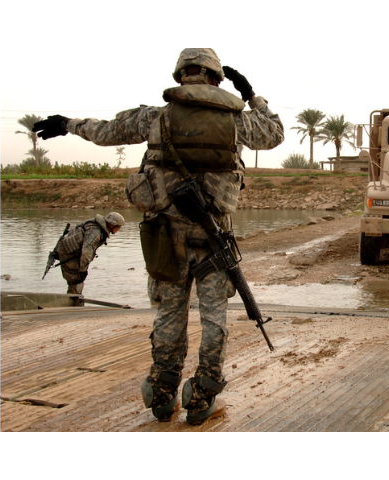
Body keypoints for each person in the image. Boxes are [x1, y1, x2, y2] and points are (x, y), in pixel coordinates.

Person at [33, 48, 284, 424]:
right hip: (214, 239)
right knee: (215, 317)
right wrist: (251, 95)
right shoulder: (238, 120)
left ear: (180, 76)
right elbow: (275, 133)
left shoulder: (157, 117)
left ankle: (163, 392)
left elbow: (104, 132)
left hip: (166, 239)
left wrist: (67, 123)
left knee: (169, 313)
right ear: (217, 78)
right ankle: (203, 396)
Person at [56, 212, 124, 295]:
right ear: (112, 224)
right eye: (118, 227)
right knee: (77, 281)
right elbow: (86, 251)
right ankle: (74, 303)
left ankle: (74, 300)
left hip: (70, 254)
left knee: (76, 282)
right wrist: (82, 270)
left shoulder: (96, 227)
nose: (119, 229)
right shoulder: (95, 232)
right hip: (69, 255)